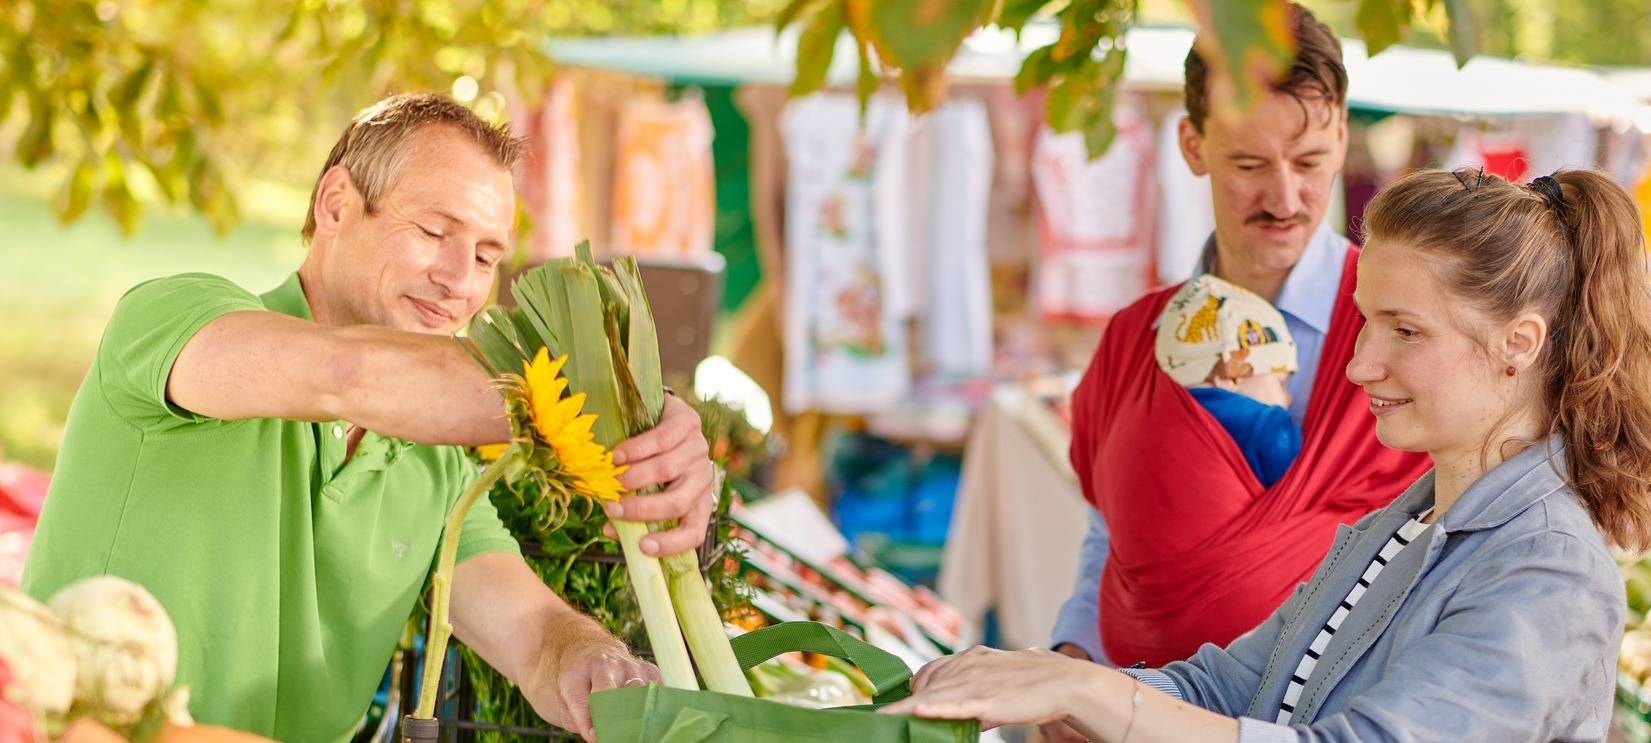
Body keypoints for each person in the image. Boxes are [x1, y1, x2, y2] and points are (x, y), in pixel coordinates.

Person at [22, 94, 719, 742]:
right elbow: (346, 374)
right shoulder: (175, 320)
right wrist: (616, 411)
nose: (459, 279)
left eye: (484, 255)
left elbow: (534, 632)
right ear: (334, 205)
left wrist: (594, 664)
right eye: (433, 230)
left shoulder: (436, 458)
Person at [889, 167, 1651, 741]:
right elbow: (1236, 680)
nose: (1359, 364)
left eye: (1405, 330)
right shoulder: (1409, 519)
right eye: (1364, 322)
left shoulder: (1548, 570)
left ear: (1518, 344)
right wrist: (1058, 677)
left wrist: (1098, 698)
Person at [1048, 4, 1429, 696]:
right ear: (1192, 146)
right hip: (1136, 708)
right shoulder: (1132, 338)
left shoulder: (1414, 328)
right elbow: (1110, 534)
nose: (1284, 198)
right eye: (1249, 163)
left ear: (1342, 137)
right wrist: (1075, 646)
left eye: (1309, 161)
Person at [1156, 274, 1301, 487]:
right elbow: (1296, 478)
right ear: (1231, 375)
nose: (1289, 398)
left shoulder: (1155, 412)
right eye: (1280, 382)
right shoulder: (1265, 426)